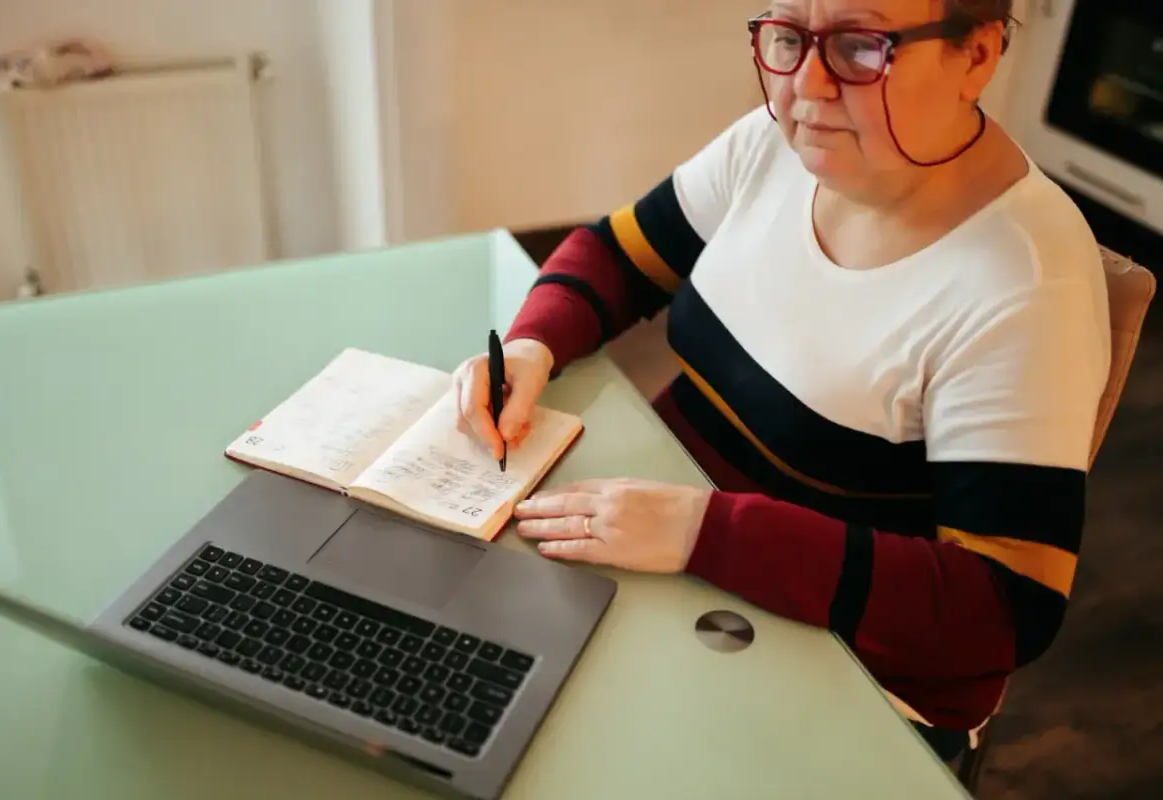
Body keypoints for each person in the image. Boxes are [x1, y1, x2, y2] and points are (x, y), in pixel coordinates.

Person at [452, 0, 1111, 761]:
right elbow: (618, 254)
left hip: (854, 682)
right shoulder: (775, 146)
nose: (808, 86)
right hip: (671, 572)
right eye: (790, 38)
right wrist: (533, 347)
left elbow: (1001, 608)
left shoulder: (1026, 288)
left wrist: (709, 531)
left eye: (861, 48)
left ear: (978, 55)